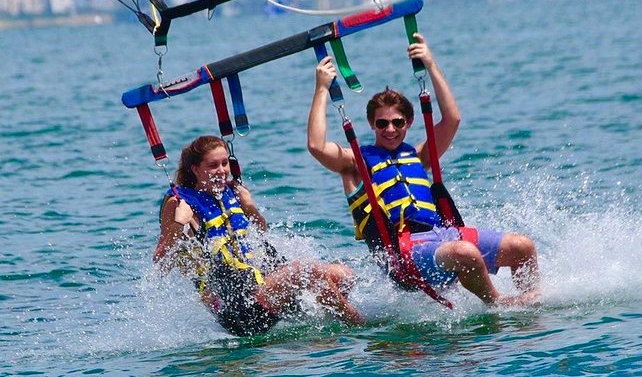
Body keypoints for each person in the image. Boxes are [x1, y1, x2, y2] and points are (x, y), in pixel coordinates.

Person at [307, 33, 540, 306]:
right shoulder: (355, 163)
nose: (391, 129)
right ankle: (499, 305)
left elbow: (453, 118)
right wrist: (322, 89)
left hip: (443, 235)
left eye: (397, 122)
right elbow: (316, 145)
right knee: (465, 252)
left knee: (523, 247)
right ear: (371, 124)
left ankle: (532, 304)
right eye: (382, 124)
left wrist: (430, 64)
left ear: (409, 122)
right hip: (404, 254)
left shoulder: (419, 156)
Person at [153, 135, 363, 336]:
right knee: (304, 271)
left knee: (344, 275)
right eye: (213, 165)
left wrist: (250, 207)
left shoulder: (232, 191)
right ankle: (358, 326)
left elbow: (260, 232)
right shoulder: (179, 202)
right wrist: (179, 224)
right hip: (237, 307)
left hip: (261, 287)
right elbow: (161, 260)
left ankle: (321, 326)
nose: (221, 171)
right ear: (195, 169)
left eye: (225, 163)